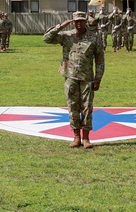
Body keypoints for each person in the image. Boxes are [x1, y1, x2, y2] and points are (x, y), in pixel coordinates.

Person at [43, 11, 105, 149]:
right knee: (72, 107)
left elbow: (100, 61)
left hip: (87, 78)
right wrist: (60, 26)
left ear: (85, 21)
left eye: (81, 21)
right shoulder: (67, 36)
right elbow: (46, 38)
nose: (79, 24)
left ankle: (86, 138)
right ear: (72, 21)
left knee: (87, 107)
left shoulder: (94, 38)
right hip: (70, 77)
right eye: (76, 21)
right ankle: (76, 137)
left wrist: (98, 79)